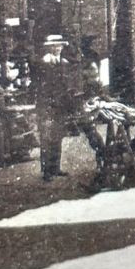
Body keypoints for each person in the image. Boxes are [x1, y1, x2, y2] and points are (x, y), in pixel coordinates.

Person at [30, 34, 80, 181]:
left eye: (60, 46)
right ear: (49, 48)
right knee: (46, 137)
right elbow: (40, 86)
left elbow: (66, 84)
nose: (58, 48)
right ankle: (46, 171)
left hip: (59, 105)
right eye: (55, 46)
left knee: (57, 136)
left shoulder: (63, 63)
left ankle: (55, 168)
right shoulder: (43, 63)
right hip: (46, 106)